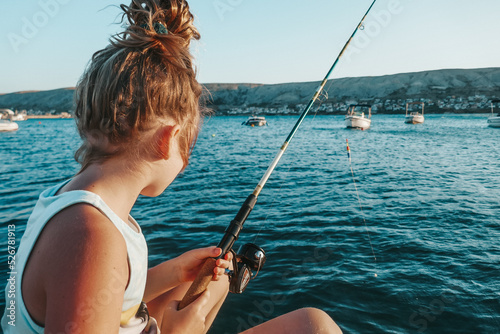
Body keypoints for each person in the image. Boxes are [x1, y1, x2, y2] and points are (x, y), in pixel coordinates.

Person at [1, 0, 342, 333]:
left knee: (216, 284)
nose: (186, 162)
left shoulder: (69, 202)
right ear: (167, 139)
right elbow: (97, 277)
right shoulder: (92, 239)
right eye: (188, 146)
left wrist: (176, 272)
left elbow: (108, 296)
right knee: (316, 326)